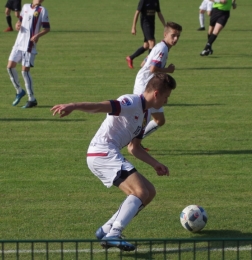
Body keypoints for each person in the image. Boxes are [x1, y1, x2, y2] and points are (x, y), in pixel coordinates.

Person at [51, 74, 176, 251]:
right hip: (102, 152)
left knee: (149, 192)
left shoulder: (145, 115)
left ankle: (106, 229)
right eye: (166, 97)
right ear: (156, 93)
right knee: (139, 191)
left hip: (107, 154)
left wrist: (155, 163)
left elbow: (134, 148)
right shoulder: (130, 102)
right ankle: (114, 234)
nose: (166, 101)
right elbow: (100, 106)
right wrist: (73, 106)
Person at [133, 22, 182, 146]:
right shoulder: (162, 49)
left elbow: (144, 63)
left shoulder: (160, 46)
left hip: (146, 83)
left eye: (178, 36)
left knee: (158, 119)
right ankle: (133, 142)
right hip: (145, 85)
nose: (175, 39)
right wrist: (168, 71)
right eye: (173, 35)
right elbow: (153, 69)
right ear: (165, 34)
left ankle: (134, 141)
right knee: (146, 118)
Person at [7, 0, 50, 108]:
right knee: (9, 67)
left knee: (24, 72)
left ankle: (32, 99)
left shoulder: (42, 10)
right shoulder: (25, 7)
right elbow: (20, 20)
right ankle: (19, 91)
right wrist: (17, 25)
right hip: (18, 43)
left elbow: (47, 28)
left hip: (29, 46)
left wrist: (37, 36)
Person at [126, 0, 166, 69]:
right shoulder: (143, 0)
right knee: (152, 43)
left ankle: (130, 58)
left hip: (152, 24)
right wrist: (133, 27)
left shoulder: (156, 0)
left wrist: (165, 26)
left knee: (146, 45)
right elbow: (137, 12)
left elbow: (159, 13)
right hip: (145, 24)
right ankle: (149, 63)